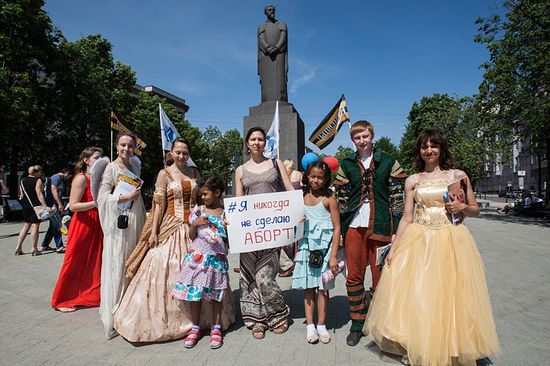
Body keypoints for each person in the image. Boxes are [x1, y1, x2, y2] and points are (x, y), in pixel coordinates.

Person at [364, 129, 500, 366]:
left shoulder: (458, 175)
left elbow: (475, 209)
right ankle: (420, 345)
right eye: (424, 146)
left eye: (433, 146)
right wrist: (394, 249)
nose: (429, 150)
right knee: (421, 294)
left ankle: (452, 346)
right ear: (419, 151)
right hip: (420, 239)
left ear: (441, 148)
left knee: (452, 294)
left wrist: (462, 209)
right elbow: (407, 217)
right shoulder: (413, 180)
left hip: (451, 239)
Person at [113, 139, 234, 343]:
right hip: (171, 225)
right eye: (178, 152)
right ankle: (185, 323)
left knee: (203, 272)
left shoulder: (194, 172)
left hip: (197, 228)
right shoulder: (164, 173)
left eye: (185, 153)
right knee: (165, 266)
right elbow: (159, 204)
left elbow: (202, 200)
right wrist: (153, 231)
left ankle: (209, 323)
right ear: (171, 152)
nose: (181, 156)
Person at [333, 120, 406, 346]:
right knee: (354, 275)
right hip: (355, 226)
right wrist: (341, 231)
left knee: (380, 277)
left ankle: (377, 320)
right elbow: (342, 200)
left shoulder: (389, 161)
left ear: (372, 135)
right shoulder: (346, 164)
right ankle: (357, 323)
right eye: (357, 138)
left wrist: (396, 231)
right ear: (353, 140)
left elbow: (397, 199)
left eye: (365, 136)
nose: (362, 141)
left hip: (382, 226)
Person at [234, 126, 294, 339]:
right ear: (248, 143)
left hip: (272, 230)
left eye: (260, 139)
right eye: (253, 139)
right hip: (250, 232)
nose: (257, 142)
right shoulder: (240, 170)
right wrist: (232, 220)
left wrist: (298, 212)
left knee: (265, 277)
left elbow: (290, 190)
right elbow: (239, 201)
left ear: (264, 143)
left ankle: (278, 314)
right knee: (249, 277)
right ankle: (256, 320)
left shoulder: (276, 164)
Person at [172, 176, 232, 349]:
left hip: (216, 263)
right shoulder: (198, 211)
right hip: (197, 261)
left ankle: (216, 328)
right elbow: (191, 236)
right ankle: (195, 327)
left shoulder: (226, 213)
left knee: (216, 296)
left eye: (205, 194)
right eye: (201, 194)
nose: (202, 197)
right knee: (195, 295)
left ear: (217, 193)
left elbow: (230, 240)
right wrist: (195, 224)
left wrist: (229, 227)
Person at [97, 133, 146, 339]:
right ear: (116, 147)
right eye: (123, 145)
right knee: (118, 264)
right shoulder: (110, 168)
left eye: (130, 145)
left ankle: (128, 312)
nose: (127, 149)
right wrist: (126, 196)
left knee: (132, 264)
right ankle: (114, 314)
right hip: (119, 224)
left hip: (135, 220)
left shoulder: (134, 168)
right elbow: (102, 198)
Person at [292, 161, 340, 344]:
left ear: (326, 179)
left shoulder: (330, 198)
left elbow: (337, 228)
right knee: (308, 289)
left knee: (323, 289)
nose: (316, 180)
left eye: (320, 177)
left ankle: (321, 324)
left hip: (325, 251)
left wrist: (334, 255)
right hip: (306, 249)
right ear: (307, 176)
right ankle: (310, 325)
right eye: (313, 176)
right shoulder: (301, 197)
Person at [51, 147, 104, 312]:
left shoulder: (99, 179)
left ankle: (89, 295)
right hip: (83, 224)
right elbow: (73, 206)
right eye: (96, 157)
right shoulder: (81, 178)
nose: (100, 160)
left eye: (101, 158)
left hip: (98, 224)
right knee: (74, 260)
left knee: (94, 262)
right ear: (86, 160)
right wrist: (97, 202)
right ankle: (61, 299)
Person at [258, 4, 288, 102]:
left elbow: (283, 37)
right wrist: (267, 48)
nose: (272, 12)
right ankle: (266, 100)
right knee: (267, 83)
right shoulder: (262, 26)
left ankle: (281, 99)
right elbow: (261, 38)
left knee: (280, 81)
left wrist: (277, 47)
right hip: (266, 57)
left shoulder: (281, 24)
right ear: (265, 12)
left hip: (279, 55)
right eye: (269, 10)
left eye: (273, 10)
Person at [15, 165, 48, 256]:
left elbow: (21, 195)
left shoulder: (22, 180)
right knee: (35, 226)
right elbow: (39, 194)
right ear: (37, 172)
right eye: (41, 172)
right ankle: (34, 248)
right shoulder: (38, 180)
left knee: (26, 225)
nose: (41, 174)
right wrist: (45, 206)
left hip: (25, 205)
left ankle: (18, 247)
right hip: (35, 206)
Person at [278, 159, 302, 277]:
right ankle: (294, 260)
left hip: (283, 208)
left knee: (281, 235)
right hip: (296, 206)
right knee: (296, 235)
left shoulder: (281, 176)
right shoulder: (298, 174)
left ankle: (287, 263)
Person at [41, 167, 72, 253]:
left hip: (54, 204)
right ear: (66, 173)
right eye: (69, 176)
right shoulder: (56, 178)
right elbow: (53, 190)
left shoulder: (59, 179)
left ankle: (45, 244)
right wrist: (59, 203)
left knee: (52, 226)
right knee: (57, 225)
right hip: (53, 205)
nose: (68, 178)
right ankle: (59, 246)